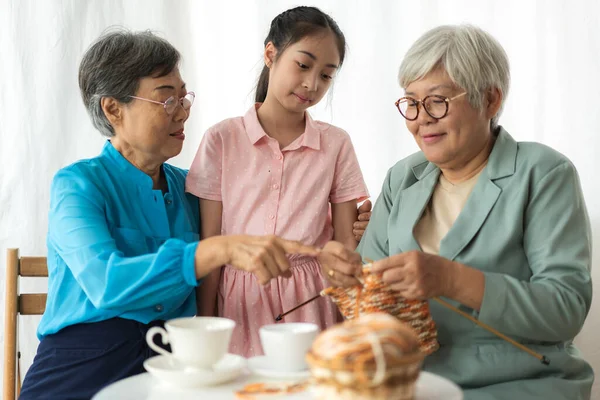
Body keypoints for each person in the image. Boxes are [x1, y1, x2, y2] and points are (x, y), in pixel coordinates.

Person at [19, 29, 351, 399]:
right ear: (113, 109)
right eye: (166, 100)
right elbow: (105, 283)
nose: (183, 111)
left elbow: (264, 220)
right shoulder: (77, 185)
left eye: (184, 97)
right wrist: (212, 251)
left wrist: (341, 226)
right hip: (81, 370)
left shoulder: (192, 189)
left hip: (174, 369)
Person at [356, 24, 593, 399]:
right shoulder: (402, 177)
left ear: (491, 100)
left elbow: (566, 310)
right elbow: (369, 304)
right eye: (411, 102)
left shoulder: (543, 173)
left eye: (437, 101)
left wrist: (452, 280)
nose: (421, 118)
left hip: (518, 383)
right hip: (414, 382)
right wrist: (347, 278)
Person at [186, 6, 369, 357]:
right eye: (303, 65)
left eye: (327, 75)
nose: (311, 84)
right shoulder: (221, 139)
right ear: (271, 54)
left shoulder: (336, 144)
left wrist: (352, 328)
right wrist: (205, 328)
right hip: (238, 304)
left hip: (313, 301)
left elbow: (345, 243)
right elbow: (211, 244)